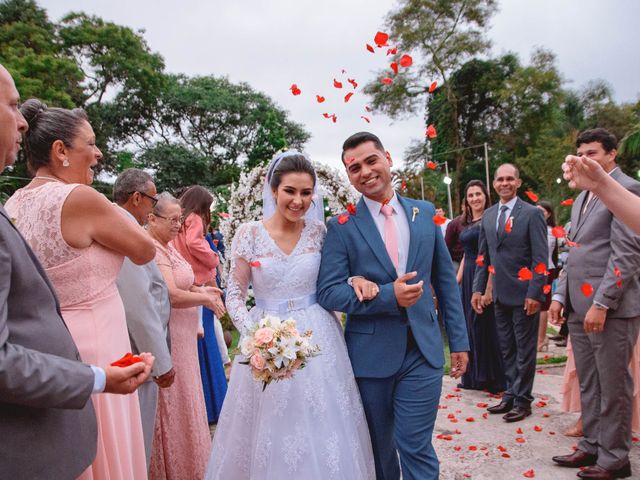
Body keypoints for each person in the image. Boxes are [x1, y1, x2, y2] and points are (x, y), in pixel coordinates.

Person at [0, 63, 153, 480]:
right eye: (91, 143)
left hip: (47, 350)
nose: (99, 153)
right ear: (60, 152)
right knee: (106, 447)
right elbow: (143, 249)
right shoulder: (81, 198)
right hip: (98, 344)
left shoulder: (14, 202)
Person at [206, 151, 375, 479]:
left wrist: (355, 279)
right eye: (290, 191)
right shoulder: (249, 234)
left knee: (322, 419)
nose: (298, 201)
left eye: (306, 193)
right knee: (274, 421)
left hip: (319, 337)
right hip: (266, 334)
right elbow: (236, 296)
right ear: (273, 190)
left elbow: (335, 279)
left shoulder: (319, 234)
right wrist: (256, 335)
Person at [317, 132, 469, 480]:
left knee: (415, 444)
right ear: (348, 175)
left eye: (371, 161)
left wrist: (459, 341)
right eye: (354, 168)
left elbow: (444, 282)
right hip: (371, 358)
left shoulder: (424, 212)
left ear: (388, 158)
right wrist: (388, 296)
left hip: (424, 352)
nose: (365, 172)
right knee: (380, 450)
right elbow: (328, 292)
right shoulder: (342, 226)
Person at [549, 128, 640, 479]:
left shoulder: (626, 190)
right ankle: (591, 446)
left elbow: (627, 255)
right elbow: (572, 251)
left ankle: (615, 457)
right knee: (589, 381)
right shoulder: (583, 196)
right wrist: (560, 295)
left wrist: (603, 303)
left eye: (593, 153)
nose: (586, 159)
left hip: (610, 309)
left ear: (612, 154)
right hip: (576, 306)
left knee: (613, 383)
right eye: (581, 153)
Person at [148, 193, 225, 480]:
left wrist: (203, 290)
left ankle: (194, 463)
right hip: (171, 332)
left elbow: (185, 283)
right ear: (151, 218)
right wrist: (204, 300)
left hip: (184, 335)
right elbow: (170, 295)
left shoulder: (169, 245)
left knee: (190, 396)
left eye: (180, 219)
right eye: (173, 220)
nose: (179, 225)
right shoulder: (154, 249)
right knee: (176, 401)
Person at [471, 163, 548, 423]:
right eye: (500, 179)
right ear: (494, 184)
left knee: (525, 349)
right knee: (506, 347)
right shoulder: (490, 216)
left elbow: (540, 257)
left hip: (525, 293)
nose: (504, 183)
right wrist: (478, 289)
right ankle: (510, 393)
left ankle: (523, 401)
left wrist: (535, 293)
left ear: (518, 183)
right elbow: (484, 257)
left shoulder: (532, 214)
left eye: (509, 179)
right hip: (500, 295)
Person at [113, 168, 174, 467]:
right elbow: (139, 301)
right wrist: (161, 363)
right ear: (137, 198)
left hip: (136, 350)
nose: (154, 207)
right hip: (139, 354)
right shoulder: (124, 230)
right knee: (137, 437)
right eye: (152, 199)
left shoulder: (122, 225)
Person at [173, 185, 228, 423]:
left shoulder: (179, 219)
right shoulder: (194, 218)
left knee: (199, 343)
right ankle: (215, 402)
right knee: (207, 342)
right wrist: (213, 257)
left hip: (186, 281)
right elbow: (195, 243)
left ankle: (203, 403)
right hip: (199, 280)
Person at [457, 180, 506, 393]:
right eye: (470, 195)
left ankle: (493, 378)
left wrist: (488, 287)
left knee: (487, 327)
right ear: (466, 201)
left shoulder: (492, 219)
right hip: (467, 276)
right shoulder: (467, 223)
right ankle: (474, 376)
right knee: (470, 328)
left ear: (486, 196)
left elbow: (495, 255)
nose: (475, 198)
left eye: (478, 194)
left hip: (484, 275)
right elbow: (465, 255)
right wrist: (456, 280)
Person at [563, 154, 640, 235]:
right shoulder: (581, 197)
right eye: (580, 154)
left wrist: (599, 184)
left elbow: (626, 244)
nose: (583, 159)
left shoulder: (628, 186)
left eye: (591, 153)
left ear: (611, 154)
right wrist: (598, 184)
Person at [535, 200, 560, 352]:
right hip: (538, 270)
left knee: (543, 306)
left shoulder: (549, 231)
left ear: (549, 214)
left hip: (546, 270)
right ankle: (539, 338)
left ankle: (541, 338)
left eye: (542, 212)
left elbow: (544, 253)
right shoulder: (538, 228)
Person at [445, 204, 466, 272]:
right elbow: (447, 245)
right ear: (462, 207)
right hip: (456, 261)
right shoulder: (454, 223)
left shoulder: (479, 221)